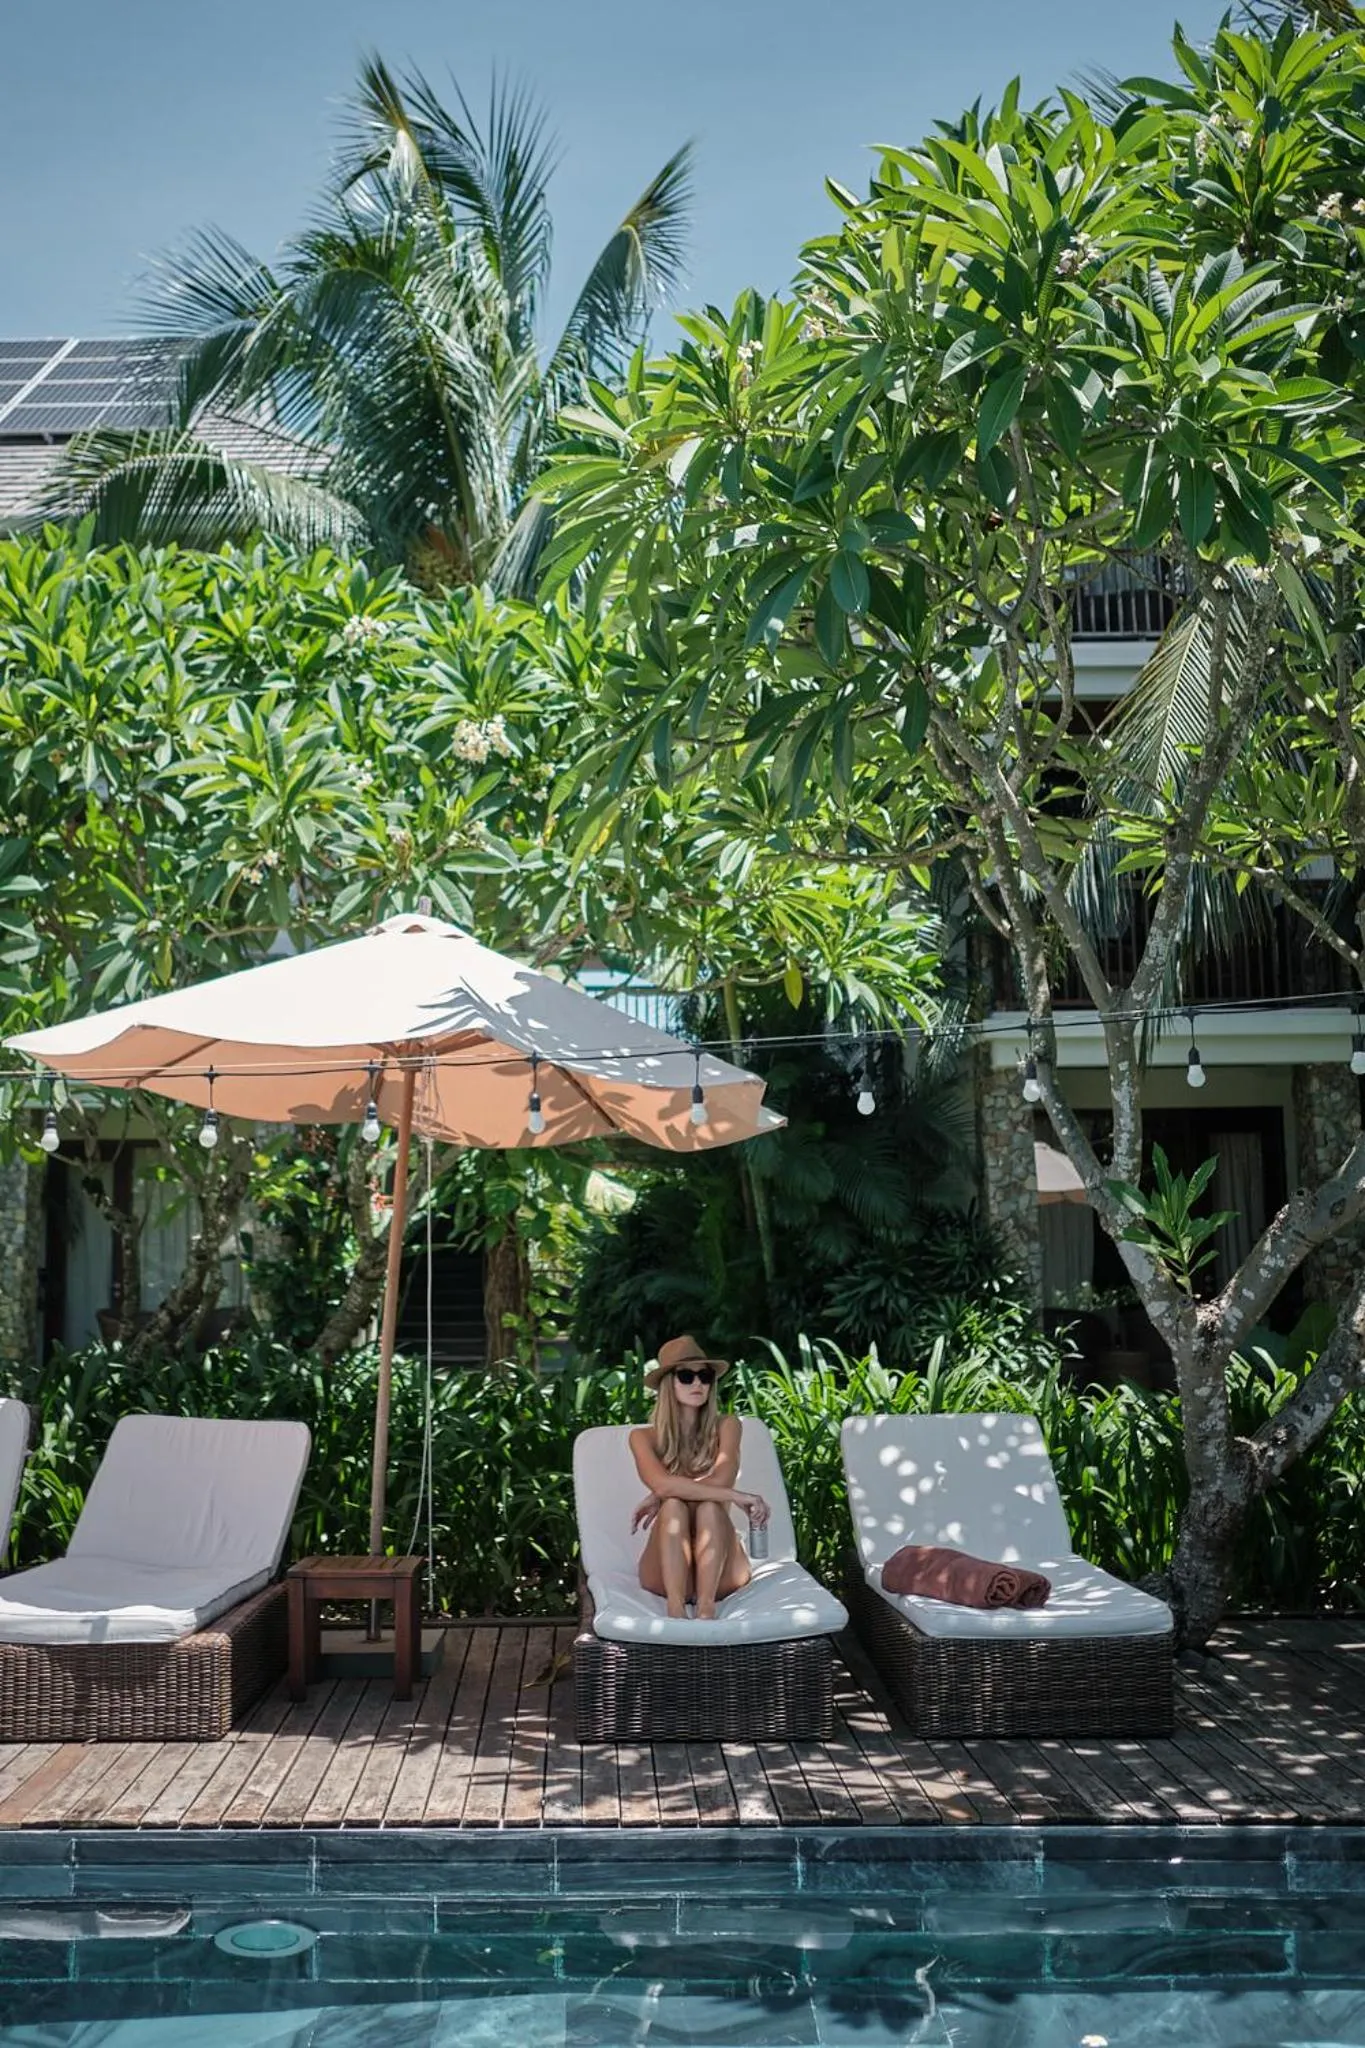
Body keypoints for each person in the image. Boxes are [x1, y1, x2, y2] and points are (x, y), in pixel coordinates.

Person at [629, 1334, 771, 1621]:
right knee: (673, 1507)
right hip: (664, 1573)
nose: (698, 1384)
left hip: (722, 1572)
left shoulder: (727, 1426)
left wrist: (664, 1492)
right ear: (668, 1384)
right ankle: (675, 1608)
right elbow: (663, 1484)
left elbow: (720, 1480)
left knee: (707, 1507)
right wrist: (736, 1496)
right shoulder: (642, 1437)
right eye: (686, 1376)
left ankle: (707, 1608)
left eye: (704, 1376)